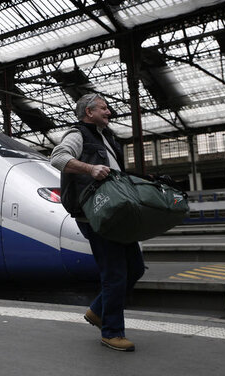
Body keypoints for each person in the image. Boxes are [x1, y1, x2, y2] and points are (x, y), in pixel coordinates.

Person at [50, 93, 145, 352]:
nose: (109, 112)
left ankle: (97, 310)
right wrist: (90, 169)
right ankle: (112, 332)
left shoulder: (108, 137)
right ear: (88, 112)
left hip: (115, 212)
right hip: (95, 213)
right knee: (114, 274)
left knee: (135, 268)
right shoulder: (78, 134)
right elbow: (57, 158)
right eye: (103, 108)